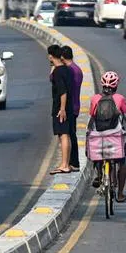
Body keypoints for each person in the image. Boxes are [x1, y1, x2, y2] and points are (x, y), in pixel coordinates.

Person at [86, 71, 126, 201]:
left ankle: (99, 175)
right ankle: (120, 194)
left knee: (96, 152)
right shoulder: (120, 99)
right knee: (122, 162)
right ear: (116, 85)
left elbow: (92, 117)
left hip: (98, 134)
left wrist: (89, 132)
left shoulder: (95, 99)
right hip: (115, 135)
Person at [48, 44, 75, 174]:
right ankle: (66, 163)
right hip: (69, 106)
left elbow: (62, 91)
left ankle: (64, 165)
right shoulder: (68, 69)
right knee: (65, 135)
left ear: (51, 56)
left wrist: (62, 108)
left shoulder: (58, 72)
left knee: (63, 135)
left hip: (61, 108)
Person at [61, 46, 84, 170]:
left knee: (70, 135)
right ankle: (73, 161)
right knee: (71, 134)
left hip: (70, 106)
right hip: (75, 105)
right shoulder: (77, 69)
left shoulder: (70, 70)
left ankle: (73, 161)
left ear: (62, 57)